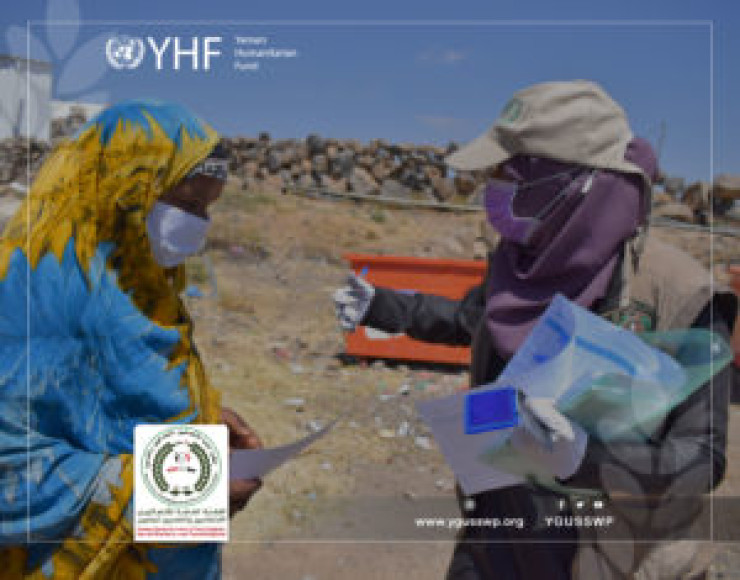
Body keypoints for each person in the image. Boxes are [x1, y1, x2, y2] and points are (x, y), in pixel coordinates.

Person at [334, 80, 737, 579]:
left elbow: (702, 459)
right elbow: (474, 319)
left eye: (512, 171)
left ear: (574, 184)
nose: (495, 185)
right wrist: (383, 307)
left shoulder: (679, 295)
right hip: (496, 537)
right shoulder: (521, 263)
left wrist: (588, 458)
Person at [0, 100, 262, 578]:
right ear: (123, 188)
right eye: (188, 204)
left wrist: (202, 418)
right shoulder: (34, 302)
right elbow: (11, 468)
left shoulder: (144, 291)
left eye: (208, 209)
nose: (199, 225)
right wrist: (181, 493)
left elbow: (112, 409)